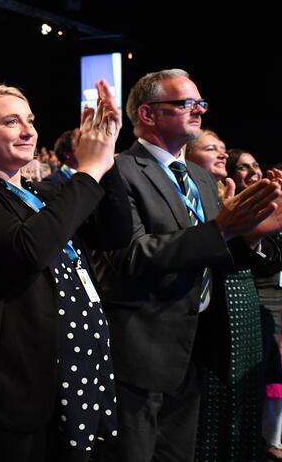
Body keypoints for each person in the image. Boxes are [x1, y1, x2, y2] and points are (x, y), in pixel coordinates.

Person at [93, 69, 282, 462]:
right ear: (147, 113)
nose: (197, 111)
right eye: (185, 104)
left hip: (194, 347)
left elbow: (217, 250)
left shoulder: (197, 175)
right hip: (140, 349)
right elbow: (129, 256)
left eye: (200, 104)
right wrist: (222, 229)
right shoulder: (119, 171)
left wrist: (254, 235)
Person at [0, 81, 131, 461]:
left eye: (30, 120)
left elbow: (115, 234)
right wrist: (87, 172)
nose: (28, 130)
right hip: (16, 381)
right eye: (12, 122)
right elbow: (29, 249)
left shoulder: (43, 195)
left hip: (74, 368)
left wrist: (105, 161)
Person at [186, 133, 282, 460]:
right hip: (208, 314)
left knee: (243, 404)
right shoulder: (190, 195)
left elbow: (267, 259)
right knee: (210, 410)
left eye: (223, 149)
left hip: (245, 313)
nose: (221, 154)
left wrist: (260, 234)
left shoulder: (234, 197)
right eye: (211, 148)